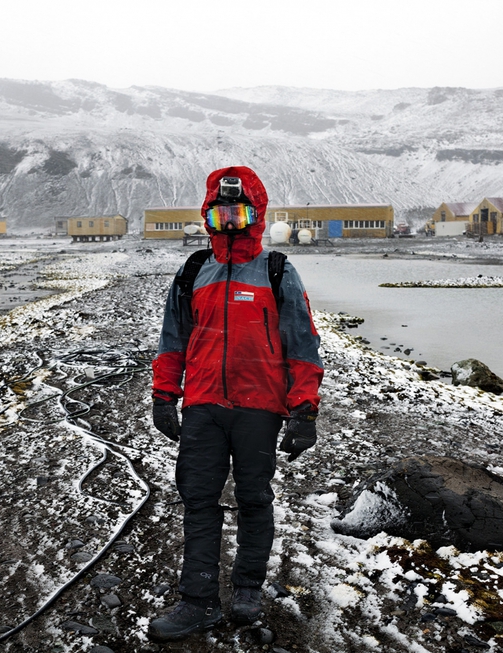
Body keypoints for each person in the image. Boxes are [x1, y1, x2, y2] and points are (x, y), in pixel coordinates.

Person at [148, 166, 324, 641]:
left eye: (239, 211)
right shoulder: (192, 271)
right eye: (221, 211)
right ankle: (197, 600)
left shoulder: (277, 270)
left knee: (253, 498)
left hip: (259, 408)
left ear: (255, 214)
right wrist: (165, 396)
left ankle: (248, 589)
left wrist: (304, 410)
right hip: (203, 405)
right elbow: (172, 341)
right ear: (209, 214)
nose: (230, 221)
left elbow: (302, 343)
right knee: (199, 501)